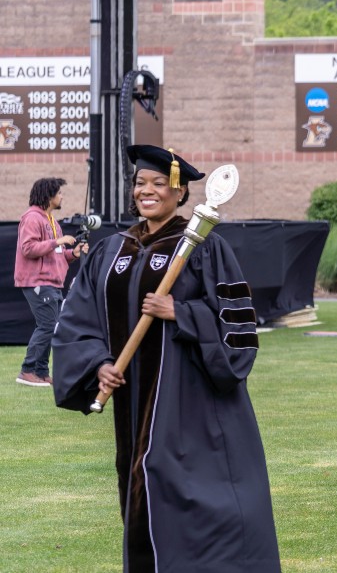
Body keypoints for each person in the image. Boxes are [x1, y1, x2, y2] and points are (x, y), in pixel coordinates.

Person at [52, 145, 280, 572]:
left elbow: (239, 333)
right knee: (139, 489)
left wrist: (183, 312)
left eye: (159, 184)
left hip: (191, 406)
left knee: (191, 501)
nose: (147, 191)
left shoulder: (204, 248)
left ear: (180, 194)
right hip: (132, 405)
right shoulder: (110, 252)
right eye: (141, 183)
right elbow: (77, 320)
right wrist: (97, 363)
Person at [13, 177, 89, 387]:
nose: (62, 196)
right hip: (37, 281)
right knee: (47, 325)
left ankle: (41, 372)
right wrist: (58, 241)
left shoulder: (52, 221)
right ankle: (27, 370)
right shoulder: (32, 218)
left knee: (50, 326)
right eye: (59, 193)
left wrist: (72, 253)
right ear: (49, 196)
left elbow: (57, 254)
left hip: (52, 282)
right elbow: (28, 248)